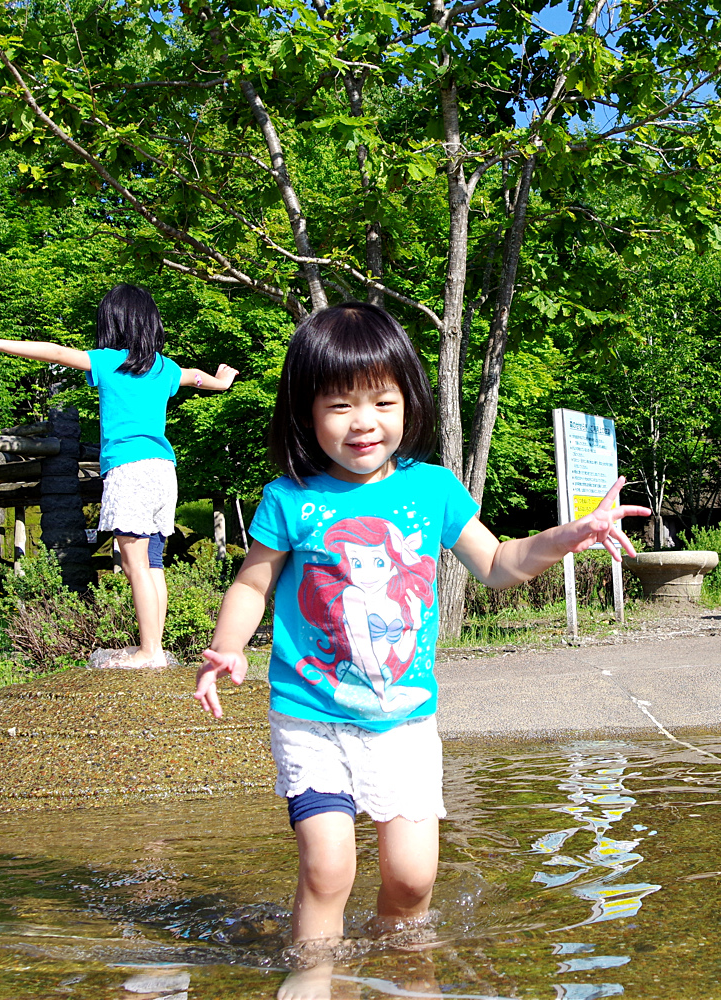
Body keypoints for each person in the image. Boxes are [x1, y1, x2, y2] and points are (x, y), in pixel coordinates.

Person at [191, 302, 648, 1000]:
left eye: (382, 400)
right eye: (340, 404)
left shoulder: (431, 489)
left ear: (409, 402)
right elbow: (254, 582)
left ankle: (401, 974)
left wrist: (566, 536)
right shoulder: (291, 499)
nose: (363, 421)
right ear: (307, 414)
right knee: (328, 868)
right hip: (311, 717)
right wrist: (228, 649)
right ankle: (312, 976)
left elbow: (496, 561)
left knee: (411, 878)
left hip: (403, 723)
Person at [0, 284, 238, 666]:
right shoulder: (163, 367)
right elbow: (195, 377)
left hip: (129, 469)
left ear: (114, 322)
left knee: (133, 562)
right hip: (162, 470)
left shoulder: (109, 361)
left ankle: (150, 650)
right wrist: (221, 382)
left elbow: (55, 352)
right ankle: (155, 646)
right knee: (152, 561)